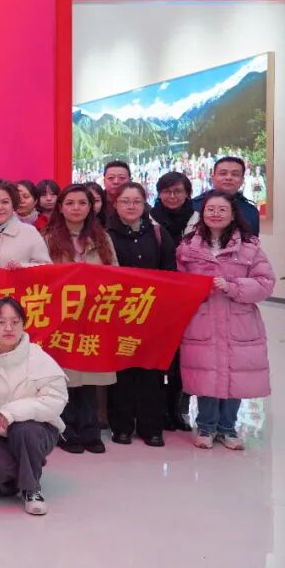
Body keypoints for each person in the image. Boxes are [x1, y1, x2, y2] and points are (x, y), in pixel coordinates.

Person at [177, 191, 275, 450]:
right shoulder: (188, 247)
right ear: (202, 214)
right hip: (203, 320)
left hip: (239, 321)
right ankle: (206, 426)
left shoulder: (249, 246)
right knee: (206, 374)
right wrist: (197, 289)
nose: (216, 214)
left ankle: (228, 428)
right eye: (210, 209)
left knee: (236, 375)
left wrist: (232, 286)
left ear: (233, 215)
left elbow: (265, 283)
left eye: (222, 209)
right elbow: (178, 282)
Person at [0, 298, 67, 516]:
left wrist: (13, 412)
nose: (8, 328)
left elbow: (57, 399)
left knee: (23, 429)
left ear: (23, 324)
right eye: (1, 322)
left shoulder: (38, 357)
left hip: (36, 431)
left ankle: (32, 489)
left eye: (15, 322)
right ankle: (27, 466)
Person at [43, 184, 117, 454]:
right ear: (61, 208)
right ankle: (67, 430)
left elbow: (115, 273)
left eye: (82, 203)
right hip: (61, 318)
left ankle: (90, 430)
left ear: (91, 207)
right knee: (64, 376)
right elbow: (41, 276)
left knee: (90, 375)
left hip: (94, 316)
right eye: (70, 203)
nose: (76, 208)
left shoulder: (102, 238)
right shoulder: (48, 239)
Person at [106, 182, 175, 447]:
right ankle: (122, 426)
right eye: (125, 201)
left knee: (151, 370)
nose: (131, 206)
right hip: (118, 314)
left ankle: (151, 427)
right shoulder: (105, 235)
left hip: (151, 314)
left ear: (144, 203)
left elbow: (170, 272)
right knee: (122, 371)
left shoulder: (158, 233)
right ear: (115, 204)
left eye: (136, 201)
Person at [150, 172, 197, 431]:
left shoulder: (198, 220)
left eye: (178, 191)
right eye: (167, 191)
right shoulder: (149, 219)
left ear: (187, 193)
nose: (172, 196)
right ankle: (157, 409)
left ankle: (179, 409)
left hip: (189, 298)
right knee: (158, 355)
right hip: (156, 298)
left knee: (184, 357)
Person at [0, 178, 51, 270]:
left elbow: (47, 267)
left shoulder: (29, 232)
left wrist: (23, 267)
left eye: (5, 202)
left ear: (13, 204)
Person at [193, 156, 260, 235]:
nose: (228, 177)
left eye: (235, 174)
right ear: (213, 178)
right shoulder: (194, 206)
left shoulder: (251, 212)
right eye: (223, 173)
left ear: (242, 180)